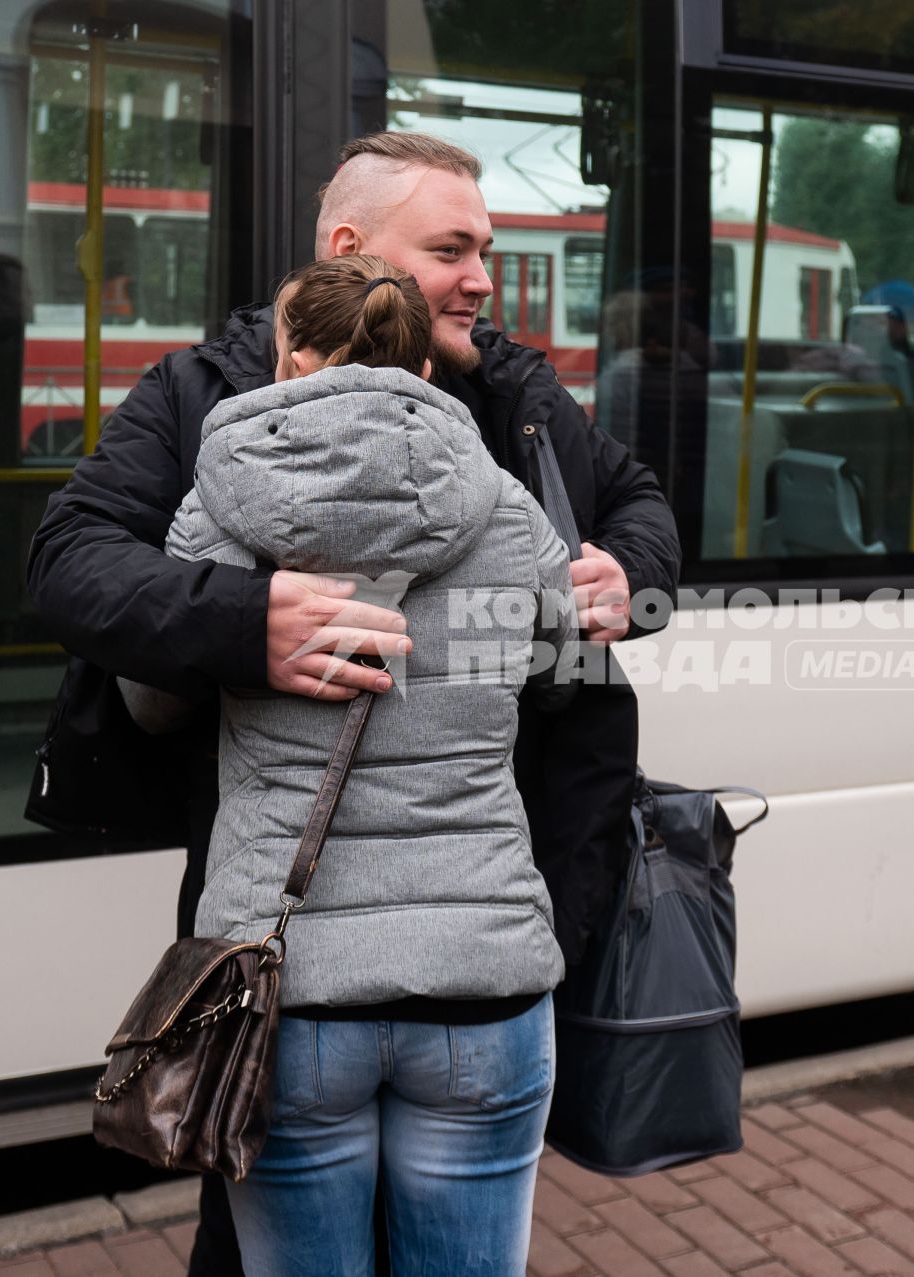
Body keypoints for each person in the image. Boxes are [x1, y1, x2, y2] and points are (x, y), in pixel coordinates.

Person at [25, 131, 681, 1277]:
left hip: (382, 941)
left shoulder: (514, 393)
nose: (483, 277)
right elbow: (66, 560)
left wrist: (633, 571)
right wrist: (249, 622)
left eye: (486, 248)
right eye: (454, 248)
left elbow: (638, 504)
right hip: (395, 947)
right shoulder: (199, 389)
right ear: (350, 247)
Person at [129, 253, 574, 1274]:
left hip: (291, 994)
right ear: (426, 367)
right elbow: (564, 667)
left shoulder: (218, 502)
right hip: (483, 974)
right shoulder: (505, 508)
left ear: (293, 354)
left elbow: (150, 697)